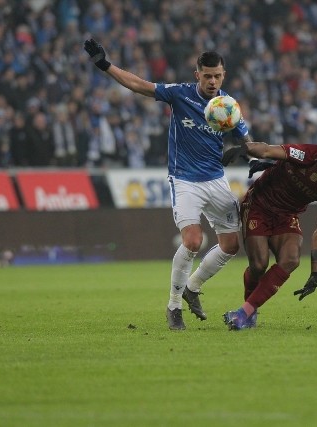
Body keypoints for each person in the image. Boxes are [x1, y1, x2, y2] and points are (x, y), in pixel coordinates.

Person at [84, 38, 252, 330]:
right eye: (207, 75)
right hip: (185, 179)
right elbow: (139, 85)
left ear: (224, 75)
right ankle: (174, 306)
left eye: (218, 75)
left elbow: (248, 142)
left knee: (231, 245)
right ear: (196, 73)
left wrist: (244, 151)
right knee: (192, 241)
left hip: (215, 179)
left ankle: (193, 287)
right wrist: (104, 65)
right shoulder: (179, 95)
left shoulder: (227, 106)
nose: (213, 81)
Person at [220, 133, 317, 330]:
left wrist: (315, 274)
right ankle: (248, 312)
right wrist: (244, 149)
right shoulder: (307, 155)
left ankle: (244, 313)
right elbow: (267, 150)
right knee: (259, 265)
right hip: (259, 204)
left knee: (291, 259)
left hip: (287, 215)